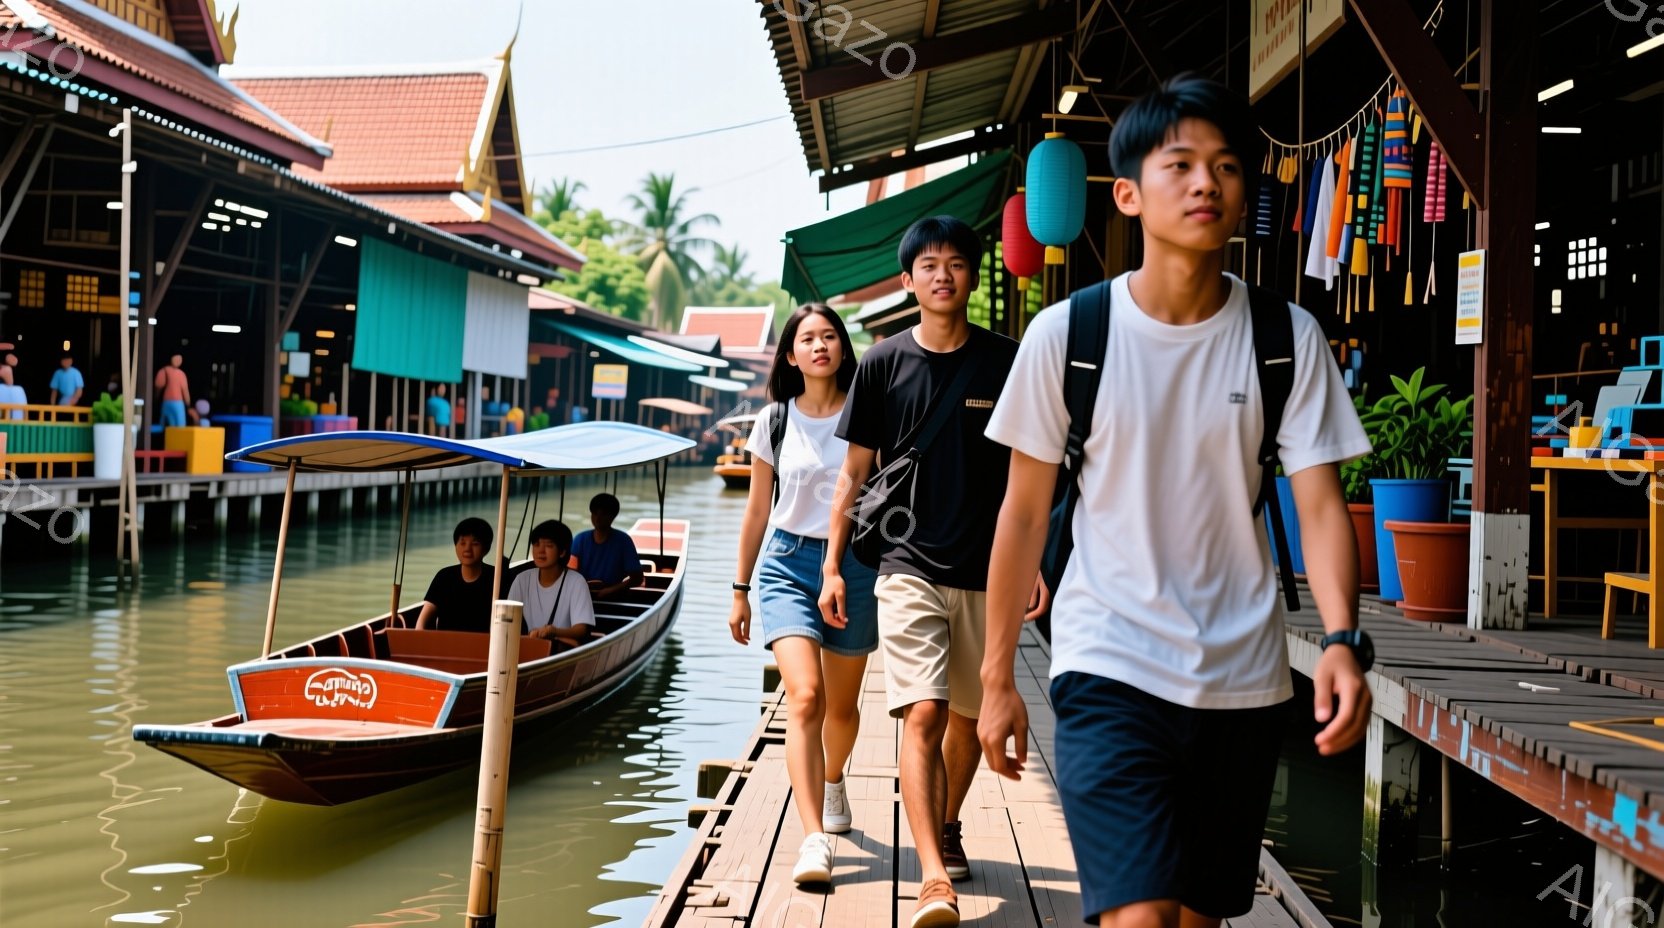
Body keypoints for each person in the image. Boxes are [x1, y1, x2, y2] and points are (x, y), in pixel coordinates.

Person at [978, 75, 1374, 928]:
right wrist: (997, 673)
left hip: (1245, 679)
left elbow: (1320, 507)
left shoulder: (1286, 339)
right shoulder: (1068, 337)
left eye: (1228, 167)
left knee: (1196, 919)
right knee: (1140, 917)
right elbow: (1019, 515)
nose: (1207, 183)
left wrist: (1340, 641)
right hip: (1107, 662)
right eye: (1182, 163)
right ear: (1127, 193)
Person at [821, 215, 1019, 928]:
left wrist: (1036, 566)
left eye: (957, 263)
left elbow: (1029, 479)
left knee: (967, 722)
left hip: (987, 571)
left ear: (973, 276)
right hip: (905, 565)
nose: (943, 274)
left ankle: (949, 824)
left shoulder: (1008, 360)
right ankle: (934, 876)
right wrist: (833, 566)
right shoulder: (880, 363)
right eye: (928, 264)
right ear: (908, 281)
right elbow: (852, 474)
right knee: (925, 714)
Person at [729, 303, 877, 886]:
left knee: (842, 708)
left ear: (843, 347)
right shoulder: (773, 421)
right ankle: (813, 837)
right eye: (807, 339)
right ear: (791, 355)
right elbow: (756, 511)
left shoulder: (869, 414)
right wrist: (740, 589)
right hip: (786, 565)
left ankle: (834, 777)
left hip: (855, 566)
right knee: (806, 698)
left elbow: (882, 494)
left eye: (830, 336)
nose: (820, 346)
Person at [507, 520, 595, 646]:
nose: (540, 551)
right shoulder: (522, 579)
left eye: (548, 545)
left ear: (562, 552)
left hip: (562, 650)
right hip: (530, 645)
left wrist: (554, 632)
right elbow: (508, 621)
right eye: (536, 544)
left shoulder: (576, 582)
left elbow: (581, 630)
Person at [414, 518, 499, 633]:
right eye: (462, 543)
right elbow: (423, 620)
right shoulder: (444, 577)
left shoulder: (497, 578)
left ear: (486, 549)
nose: (467, 549)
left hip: (484, 647)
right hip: (445, 646)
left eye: (475, 544)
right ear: (455, 546)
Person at [571, 492, 644, 599]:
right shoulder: (579, 539)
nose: (598, 518)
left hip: (614, 595)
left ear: (613, 516)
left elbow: (637, 578)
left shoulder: (624, 541)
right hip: (581, 594)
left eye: (603, 514)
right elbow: (570, 571)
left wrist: (611, 590)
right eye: (595, 513)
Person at [154, 354, 193, 428]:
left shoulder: (167, 371)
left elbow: (158, 387)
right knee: (179, 426)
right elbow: (185, 391)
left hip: (170, 402)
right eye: (177, 358)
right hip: (175, 403)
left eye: (180, 359)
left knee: (169, 426)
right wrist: (188, 404)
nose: (178, 360)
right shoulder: (178, 373)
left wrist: (156, 398)